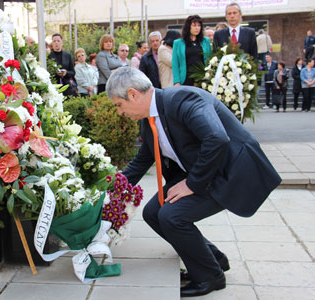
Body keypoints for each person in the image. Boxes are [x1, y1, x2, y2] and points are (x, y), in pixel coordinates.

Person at [105, 67, 281, 298]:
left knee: (172, 216)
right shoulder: (148, 118)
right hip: (203, 173)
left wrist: (191, 184)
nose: (120, 112)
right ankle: (212, 259)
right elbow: (142, 161)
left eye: (119, 105)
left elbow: (216, 138)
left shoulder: (182, 99)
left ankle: (210, 277)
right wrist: (108, 190)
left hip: (228, 172)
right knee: (153, 212)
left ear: (133, 94)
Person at [172, 15, 211, 86]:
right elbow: (175, 64)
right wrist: (176, 81)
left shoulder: (205, 41)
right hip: (185, 78)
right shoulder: (178, 43)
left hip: (202, 79)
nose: (197, 28)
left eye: (199, 26)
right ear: (188, 26)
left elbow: (209, 60)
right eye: (194, 25)